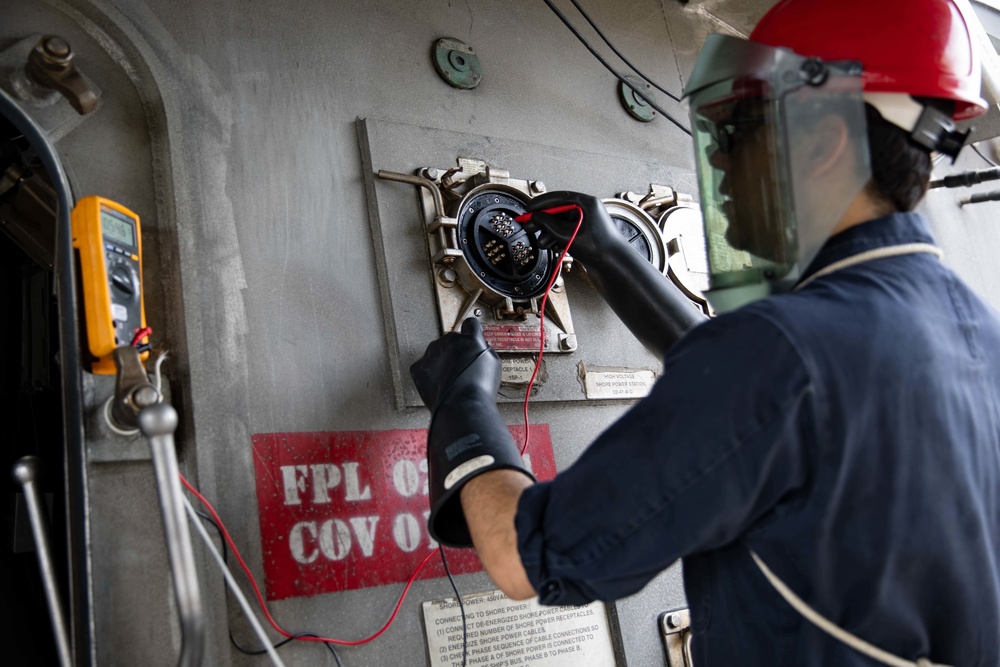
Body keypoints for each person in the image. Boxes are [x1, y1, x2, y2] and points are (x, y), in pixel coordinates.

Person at [411, 0, 1000, 664]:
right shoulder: (978, 335)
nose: (717, 162)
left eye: (738, 131)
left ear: (826, 139)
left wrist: (460, 404)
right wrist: (611, 254)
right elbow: (756, 408)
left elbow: (526, 556)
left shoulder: (780, 353)